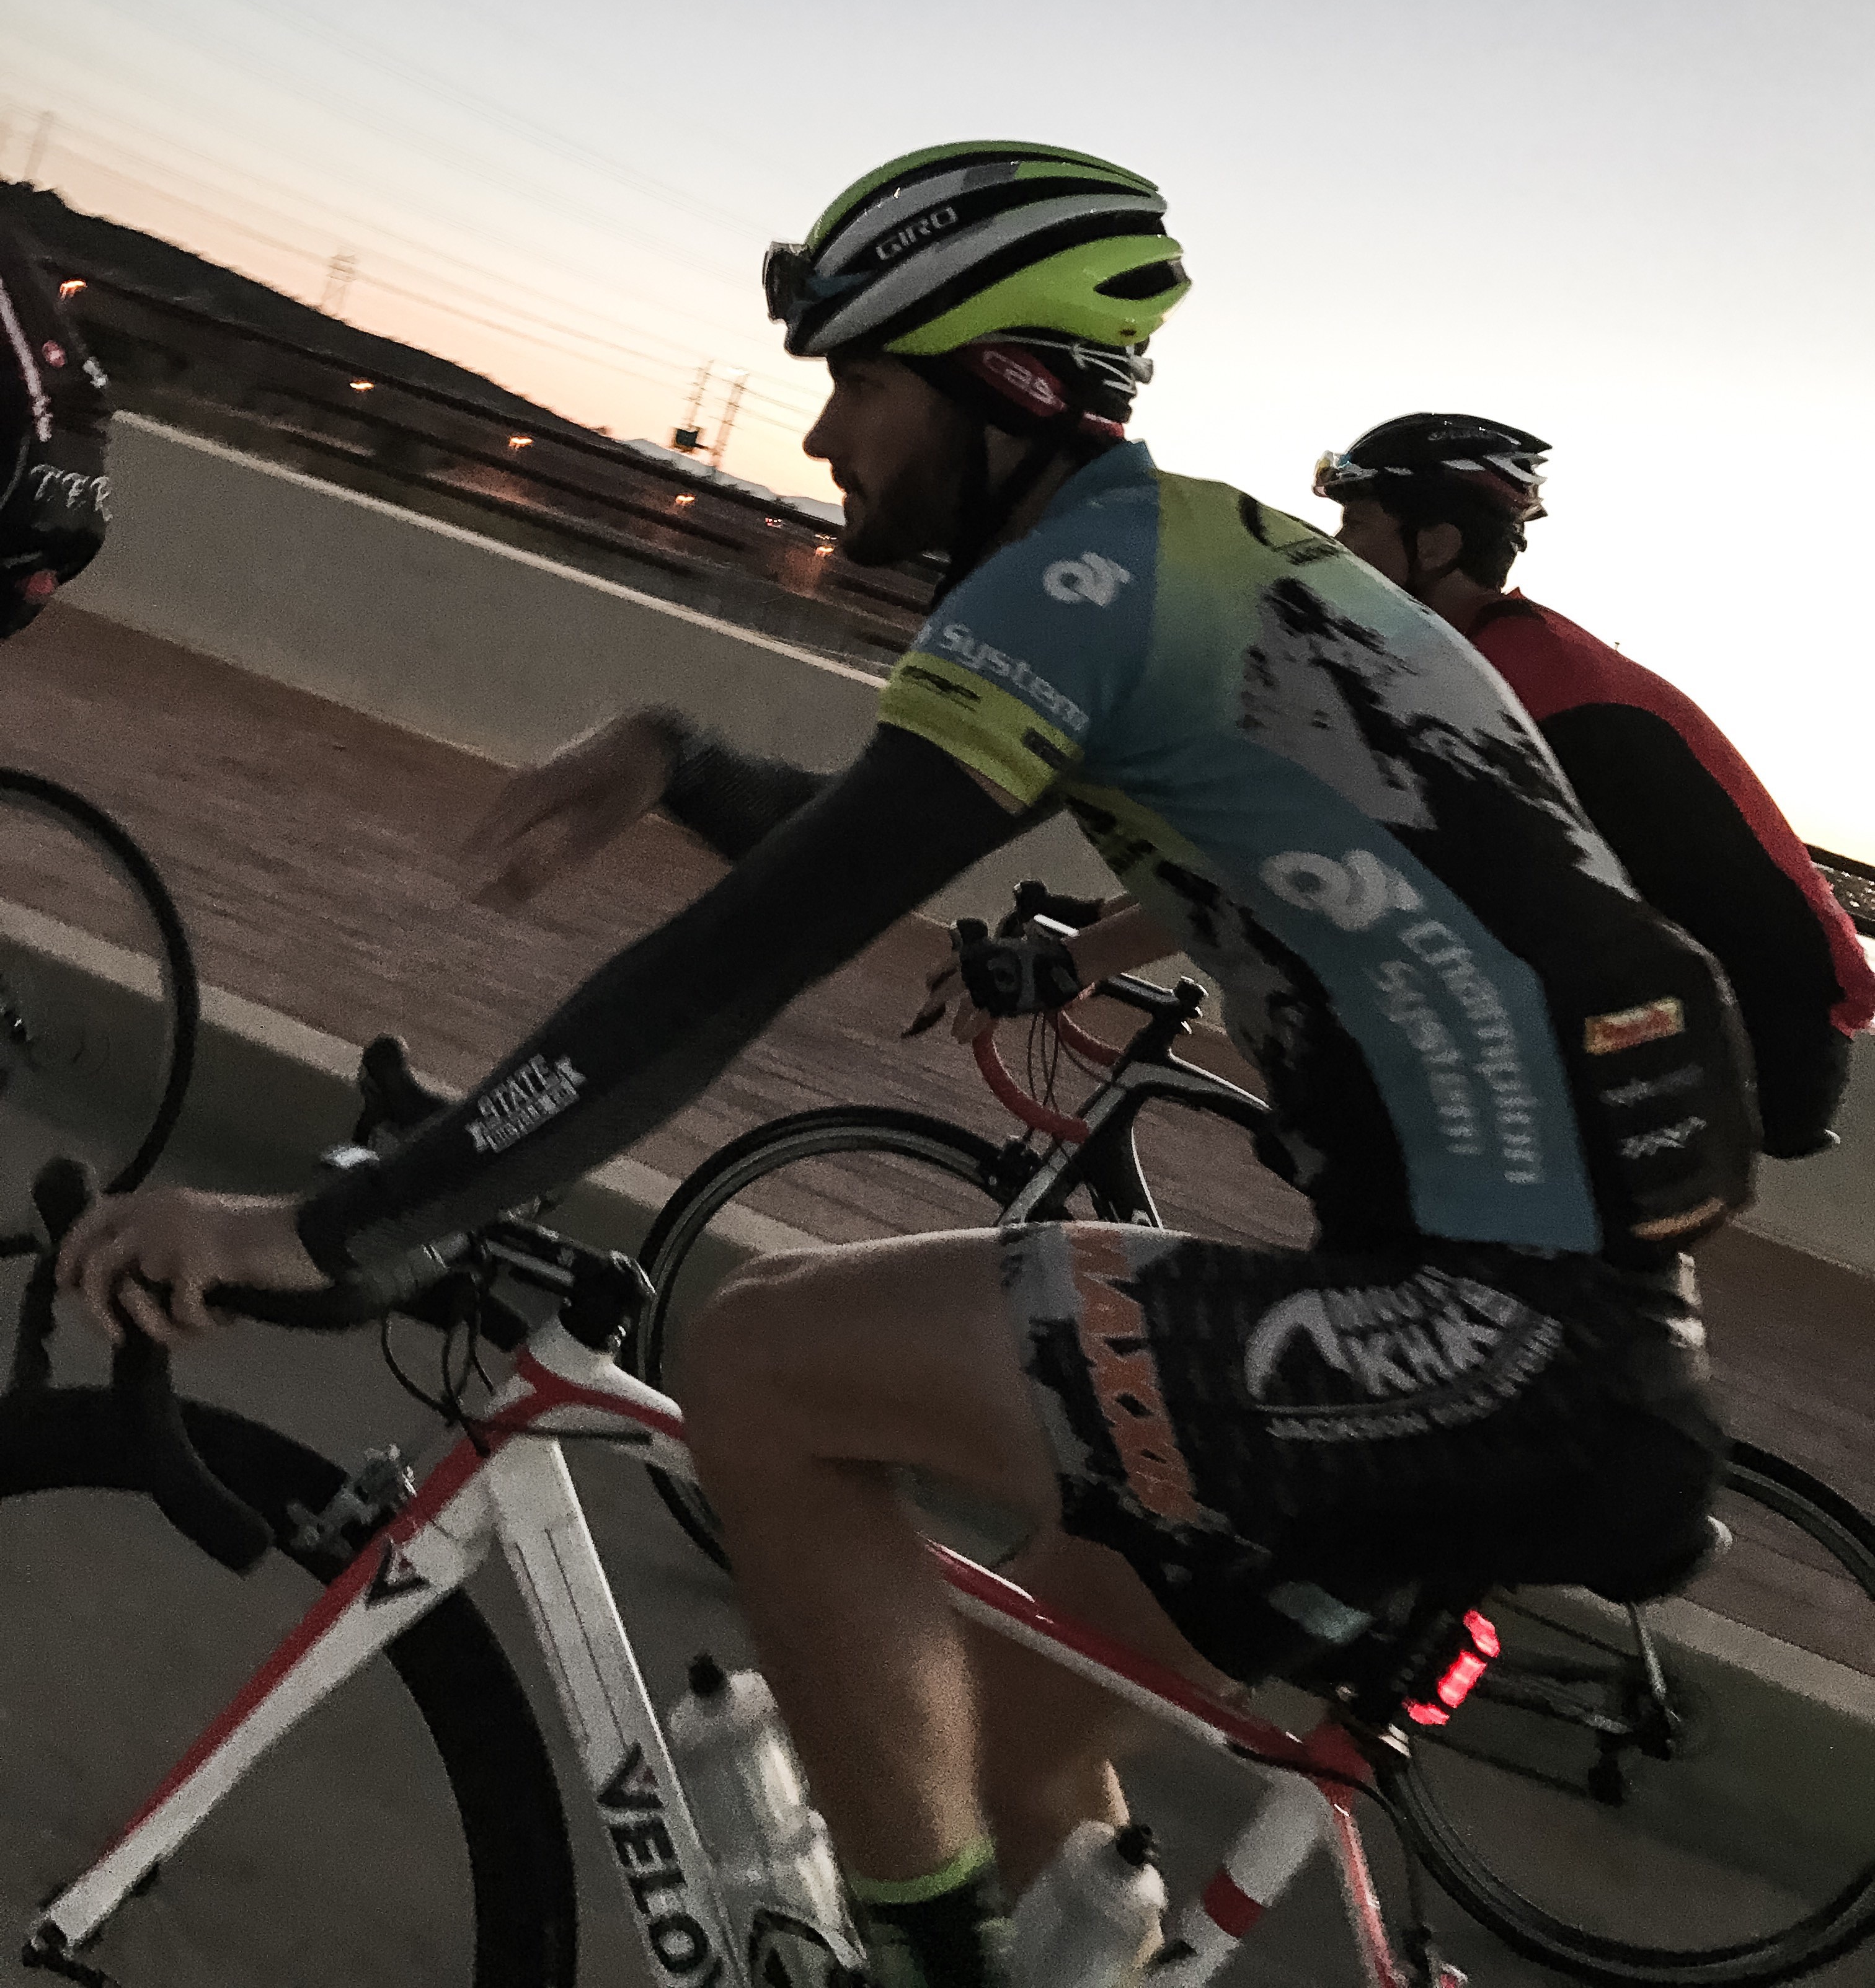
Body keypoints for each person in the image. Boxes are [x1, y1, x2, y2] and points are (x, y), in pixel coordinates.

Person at [57, 144, 1760, 1988]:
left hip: (1484, 1339)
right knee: (1007, 1771)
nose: (823, 437)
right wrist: (686, 758)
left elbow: (737, 964)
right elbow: (864, 847)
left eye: (861, 381)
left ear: (999, 387)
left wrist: (341, 1225)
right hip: (1530, 1329)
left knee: (760, 1361)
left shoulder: (1081, 590)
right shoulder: (1184, 564)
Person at [1313, 414, 1874, 1159]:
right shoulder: (1491, 653)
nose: (1335, 550)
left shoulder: (1514, 682)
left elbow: (1364, 844)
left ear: (1436, 546)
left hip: (1753, 1031)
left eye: (1355, 524)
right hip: (1695, 1000)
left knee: (1371, 1129)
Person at [0, 226, 112, 636]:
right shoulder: (64, 550)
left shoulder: (70, 549)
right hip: (52, 399)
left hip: (63, 401)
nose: (44, 588)